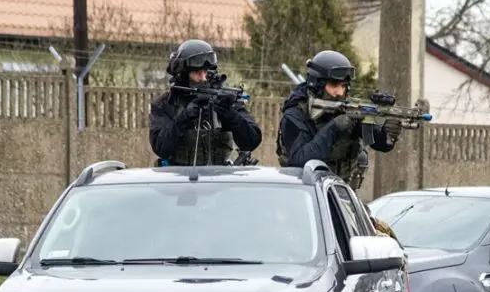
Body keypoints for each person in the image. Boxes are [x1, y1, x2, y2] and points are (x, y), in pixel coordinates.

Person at [276, 50, 403, 191]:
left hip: (342, 190)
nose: (340, 92)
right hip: (305, 191)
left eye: (343, 86)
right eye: (334, 85)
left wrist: (387, 133)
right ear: (317, 84)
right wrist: (335, 128)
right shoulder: (295, 114)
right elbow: (299, 161)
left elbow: (374, 140)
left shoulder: (348, 110)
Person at [149, 39, 262, 166]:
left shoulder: (224, 99)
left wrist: (230, 115)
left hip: (219, 173)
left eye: (205, 72)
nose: (203, 78)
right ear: (183, 74)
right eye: (197, 72)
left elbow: (251, 142)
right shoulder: (165, 103)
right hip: (179, 173)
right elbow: (161, 147)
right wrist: (184, 118)